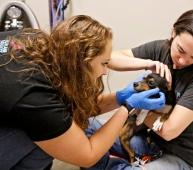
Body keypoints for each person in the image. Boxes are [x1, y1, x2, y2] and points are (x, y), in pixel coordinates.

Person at [0, 15, 166, 170]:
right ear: (83, 63)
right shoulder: (34, 94)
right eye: (104, 63)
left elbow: (71, 108)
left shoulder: (37, 41)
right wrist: (127, 107)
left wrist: (119, 97)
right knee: (52, 139)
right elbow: (88, 155)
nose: (104, 72)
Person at [86, 8, 193, 170]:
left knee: (92, 153)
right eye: (181, 50)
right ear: (174, 33)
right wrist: (146, 63)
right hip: (144, 139)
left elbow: (168, 131)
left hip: (179, 154)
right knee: (77, 126)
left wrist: (138, 107)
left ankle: (115, 164)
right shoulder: (162, 48)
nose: (183, 61)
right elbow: (112, 59)